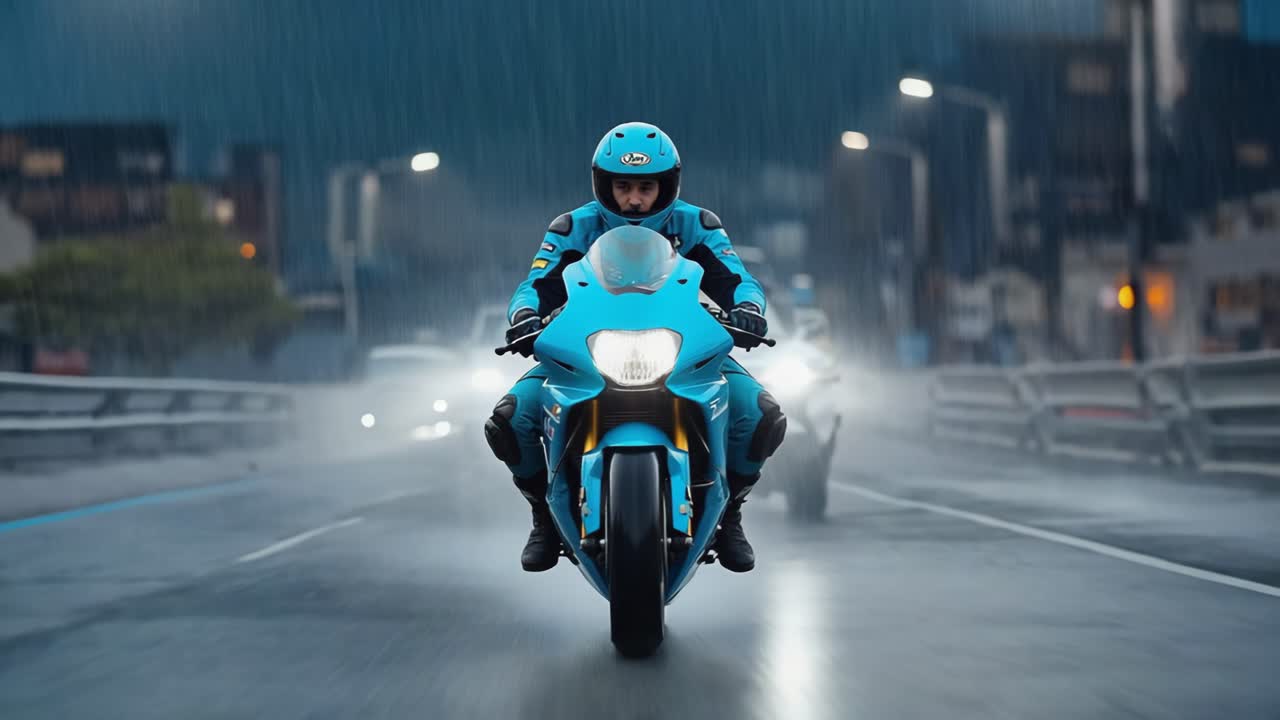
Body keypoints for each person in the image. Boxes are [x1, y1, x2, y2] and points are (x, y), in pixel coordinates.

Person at [484, 122, 786, 574]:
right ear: (603, 185)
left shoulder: (697, 224)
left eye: (646, 187)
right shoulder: (572, 227)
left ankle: (731, 515)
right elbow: (535, 284)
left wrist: (748, 309)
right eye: (623, 187)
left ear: (668, 185)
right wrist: (524, 316)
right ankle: (543, 516)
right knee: (510, 420)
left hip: (682, 348)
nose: (634, 200)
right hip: (586, 351)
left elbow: (738, 279)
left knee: (761, 414)